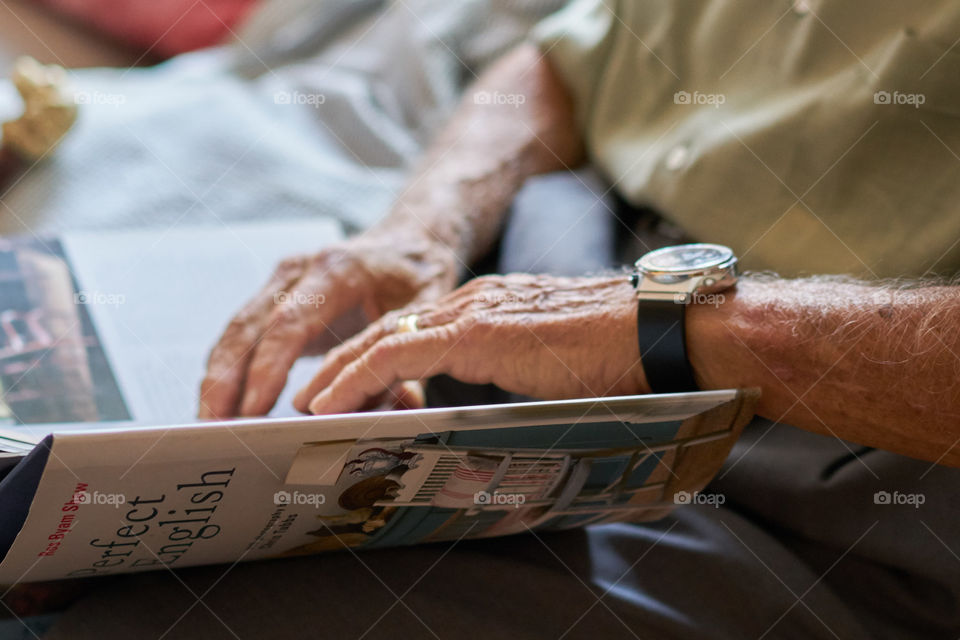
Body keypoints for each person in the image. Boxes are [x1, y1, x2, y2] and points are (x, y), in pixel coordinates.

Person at [50, 1, 955, 638]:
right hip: (591, 270)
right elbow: (569, 57)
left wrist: (681, 329)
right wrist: (422, 227)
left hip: (853, 460)